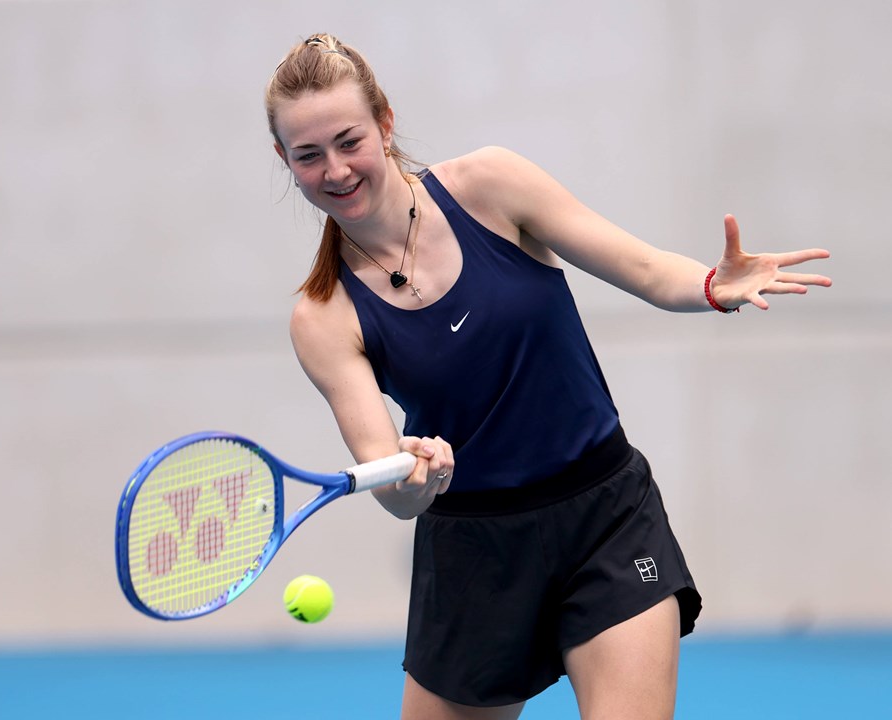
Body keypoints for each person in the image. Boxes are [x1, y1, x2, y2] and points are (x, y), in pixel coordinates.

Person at [265, 33, 831, 720]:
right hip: (473, 550)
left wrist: (713, 284)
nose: (336, 169)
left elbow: (648, 270)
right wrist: (420, 475)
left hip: (604, 517)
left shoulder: (490, 187)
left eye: (348, 140)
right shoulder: (323, 316)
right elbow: (394, 486)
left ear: (385, 123)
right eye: (309, 154)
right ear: (285, 161)